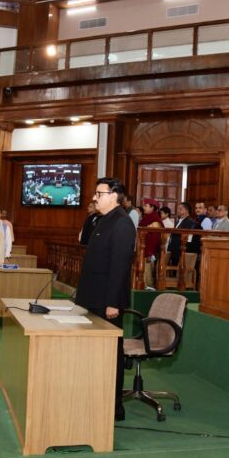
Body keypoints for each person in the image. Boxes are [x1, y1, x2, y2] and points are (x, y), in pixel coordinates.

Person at [74, 177, 135, 422]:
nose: (94, 198)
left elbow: (119, 266)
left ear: (114, 195)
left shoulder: (121, 223)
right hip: (94, 298)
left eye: (99, 194)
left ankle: (113, 407)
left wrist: (112, 302)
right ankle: (95, 398)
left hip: (106, 302)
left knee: (111, 355)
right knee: (97, 354)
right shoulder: (103, 220)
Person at [139, 198, 162, 290]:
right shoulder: (147, 217)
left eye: (146, 206)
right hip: (142, 248)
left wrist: (150, 253)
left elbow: (154, 239)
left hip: (149, 251)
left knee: (148, 272)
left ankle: (148, 289)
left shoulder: (155, 220)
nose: (143, 207)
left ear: (152, 208)